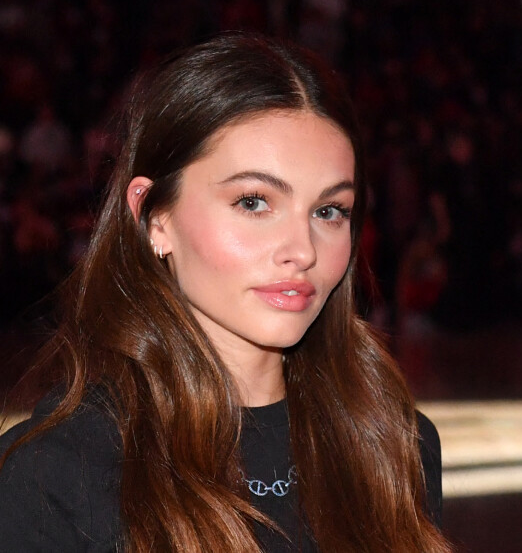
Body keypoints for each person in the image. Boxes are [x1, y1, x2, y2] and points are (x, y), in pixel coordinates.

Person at [0, 33, 450, 552]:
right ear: (153, 216)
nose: (301, 250)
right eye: (254, 202)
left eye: (329, 211)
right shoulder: (53, 476)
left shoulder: (395, 445)